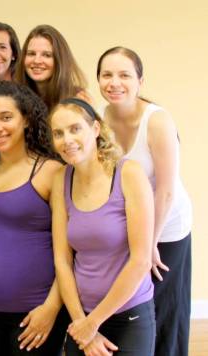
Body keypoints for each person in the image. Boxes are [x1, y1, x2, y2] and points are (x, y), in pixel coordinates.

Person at [0, 81, 69, 355]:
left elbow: (68, 252)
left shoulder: (51, 171)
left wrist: (51, 309)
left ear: (27, 119)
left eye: (6, 117)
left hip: (34, 315)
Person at [97, 47, 193, 356]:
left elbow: (165, 190)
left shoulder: (158, 121)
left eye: (124, 75)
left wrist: (149, 244)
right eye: (107, 74)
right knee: (138, 304)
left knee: (164, 306)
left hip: (166, 227)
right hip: (135, 224)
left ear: (140, 81)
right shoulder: (102, 118)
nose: (115, 82)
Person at [50, 98, 155, 355]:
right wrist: (80, 323)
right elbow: (62, 261)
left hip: (129, 315)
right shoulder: (61, 179)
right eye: (58, 133)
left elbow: (141, 261)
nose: (67, 139)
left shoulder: (129, 173)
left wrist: (93, 323)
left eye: (75, 129)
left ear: (95, 129)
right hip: (81, 314)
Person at [15, 24, 89, 112]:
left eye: (47, 55)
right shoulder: (15, 97)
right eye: (31, 54)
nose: (37, 61)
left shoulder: (77, 99)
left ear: (60, 60)